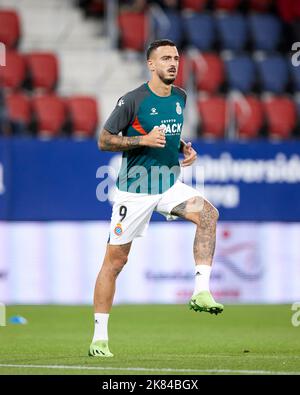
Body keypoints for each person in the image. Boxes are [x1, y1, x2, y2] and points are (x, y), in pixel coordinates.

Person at [89, 39, 223, 357]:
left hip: (167, 185)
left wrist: (183, 148)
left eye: (175, 58)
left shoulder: (180, 97)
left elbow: (169, 134)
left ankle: (201, 291)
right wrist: (143, 140)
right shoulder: (133, 100)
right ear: (151, 64)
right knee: (115, 262)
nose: (173, 63)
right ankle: (99, 338)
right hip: (134, 191)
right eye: (165, 58)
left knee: (208, 215)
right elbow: (104, 141)